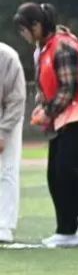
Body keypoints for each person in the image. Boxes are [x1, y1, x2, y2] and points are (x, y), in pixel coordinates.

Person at [14, 3, 78, 248]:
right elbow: (47, 85)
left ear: (37, 25)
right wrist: (42, 106)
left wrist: (47, 112)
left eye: (24, 29)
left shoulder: (63, 46)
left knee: (68, 169)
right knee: (55, 174)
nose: (23, 35)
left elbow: (70, 88)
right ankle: (67, 230)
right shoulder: (44, 48)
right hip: (63, 119)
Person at [0, 43, 26, 244]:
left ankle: (4, 226)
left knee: (7, 170)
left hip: (7, 116)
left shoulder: (7, 57)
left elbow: (16, 99)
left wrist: (3, 132)